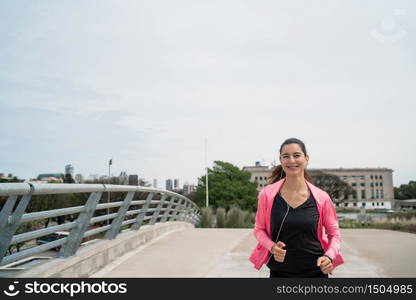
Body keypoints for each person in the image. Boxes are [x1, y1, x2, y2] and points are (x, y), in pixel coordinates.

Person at [249, 137, 345, 277]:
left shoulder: (322, 197)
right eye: (286, 156)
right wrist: (272, 247)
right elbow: (259, 230)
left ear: (306, 159)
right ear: (281, 160)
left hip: (315, 272)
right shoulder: (267, 195)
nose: (291, 160)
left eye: (297, 155)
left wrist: (329, 256)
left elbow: (334, 234)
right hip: (279, 273)